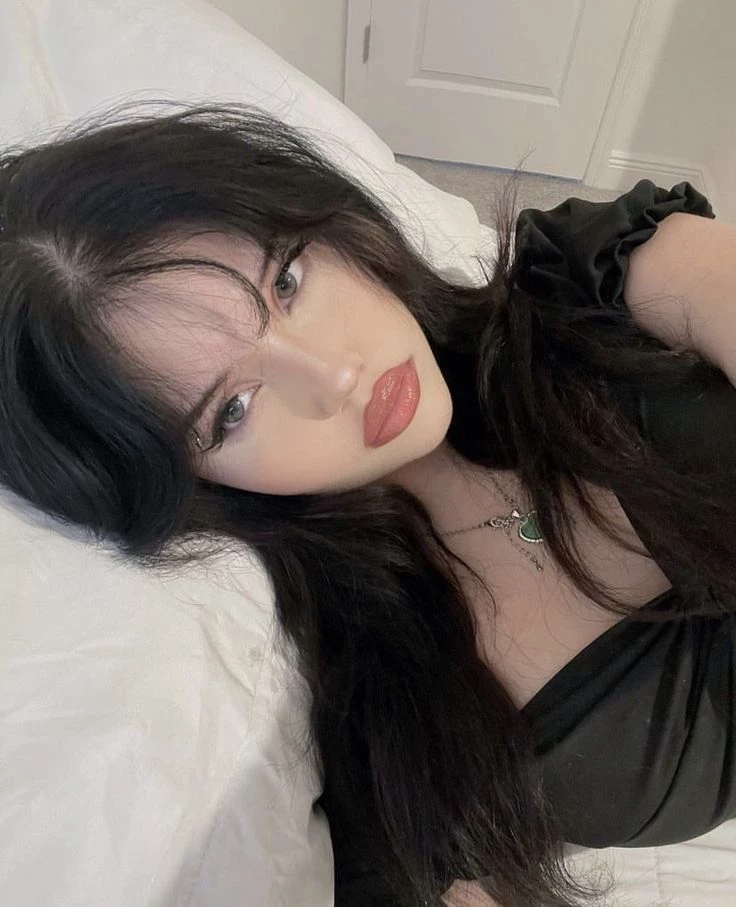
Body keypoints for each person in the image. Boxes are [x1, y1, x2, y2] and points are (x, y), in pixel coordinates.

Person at [1, 100, 734, 907]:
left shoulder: (584, 276)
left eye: (287, 280)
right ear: (191, 483)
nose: (334, 376)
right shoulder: (386, 712)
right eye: (232, 409)